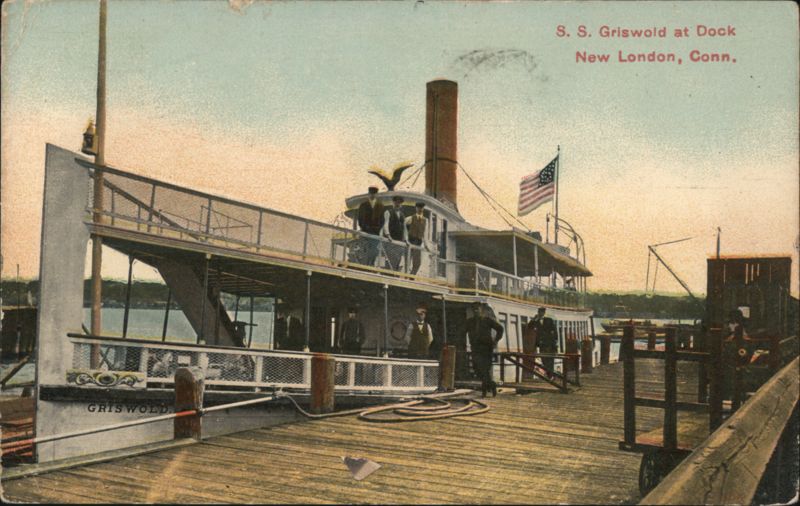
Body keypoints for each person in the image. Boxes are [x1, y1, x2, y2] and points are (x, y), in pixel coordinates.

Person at [465, 302, 504, 397]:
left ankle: (484, 390)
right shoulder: (469, 322)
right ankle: (492, 385)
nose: (476, 311)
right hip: (475, 348)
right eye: (474, 309)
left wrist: (495, 341)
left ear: (481, 310)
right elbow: (462, 331)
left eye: (477, 309)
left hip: (486, 348)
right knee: (477, 369)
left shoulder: (487, 320)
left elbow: (500, 329)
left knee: (485, 369)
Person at [357, 186, 385, 267]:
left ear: (376, 195)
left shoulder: (381, 206)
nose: (372, 195)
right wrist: (365, 227)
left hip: (375, 233)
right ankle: (364, 266)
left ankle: (371, 265)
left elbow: (382, 220)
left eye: (374, 194)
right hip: (365, 232)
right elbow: (360, 219)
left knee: (374, 251)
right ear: (368, 194)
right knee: (364, 250)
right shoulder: (363, 205)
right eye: (371, 193)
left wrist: (377, 229)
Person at [528, 307, 558, 373]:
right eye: (539, 312)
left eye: (541, 312)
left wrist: (555, 341)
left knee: (550, 360)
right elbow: (529, 326)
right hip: (541, 344)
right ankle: (549, 374)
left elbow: (555, 331)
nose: (540, 314)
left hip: (550, 344)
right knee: (544, 360)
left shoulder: (549, 320)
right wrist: (533, 319)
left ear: (544, 313)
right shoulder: (536, 321)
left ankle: (550, 375)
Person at [382, 195, 406, 271]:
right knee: (389, 259)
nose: (397, 204)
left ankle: (394, 274)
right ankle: (388, 274)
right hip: (390, 240)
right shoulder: (388, 212)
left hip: (399, 241)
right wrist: (388, 235)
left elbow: (404, 229)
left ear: (401, 204)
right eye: (396, 202)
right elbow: (386, 224)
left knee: (397, 259)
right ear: (393, 203)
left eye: (399, 202)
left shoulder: (402, 215)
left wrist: (405, 239)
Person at [405, 202, 430, 275]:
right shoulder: (409, 218)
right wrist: (406, 239)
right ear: (416, 208)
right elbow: (404, 229)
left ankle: (412, 276)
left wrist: (426, 245)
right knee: (407, 261)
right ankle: (406, 276)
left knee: (417, 263)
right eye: (418, 207)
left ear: (423, 208)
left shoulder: (426, 220)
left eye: (421, 207)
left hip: (418, 243)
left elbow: (425, 233)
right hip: (410, 242)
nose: (420, 209)